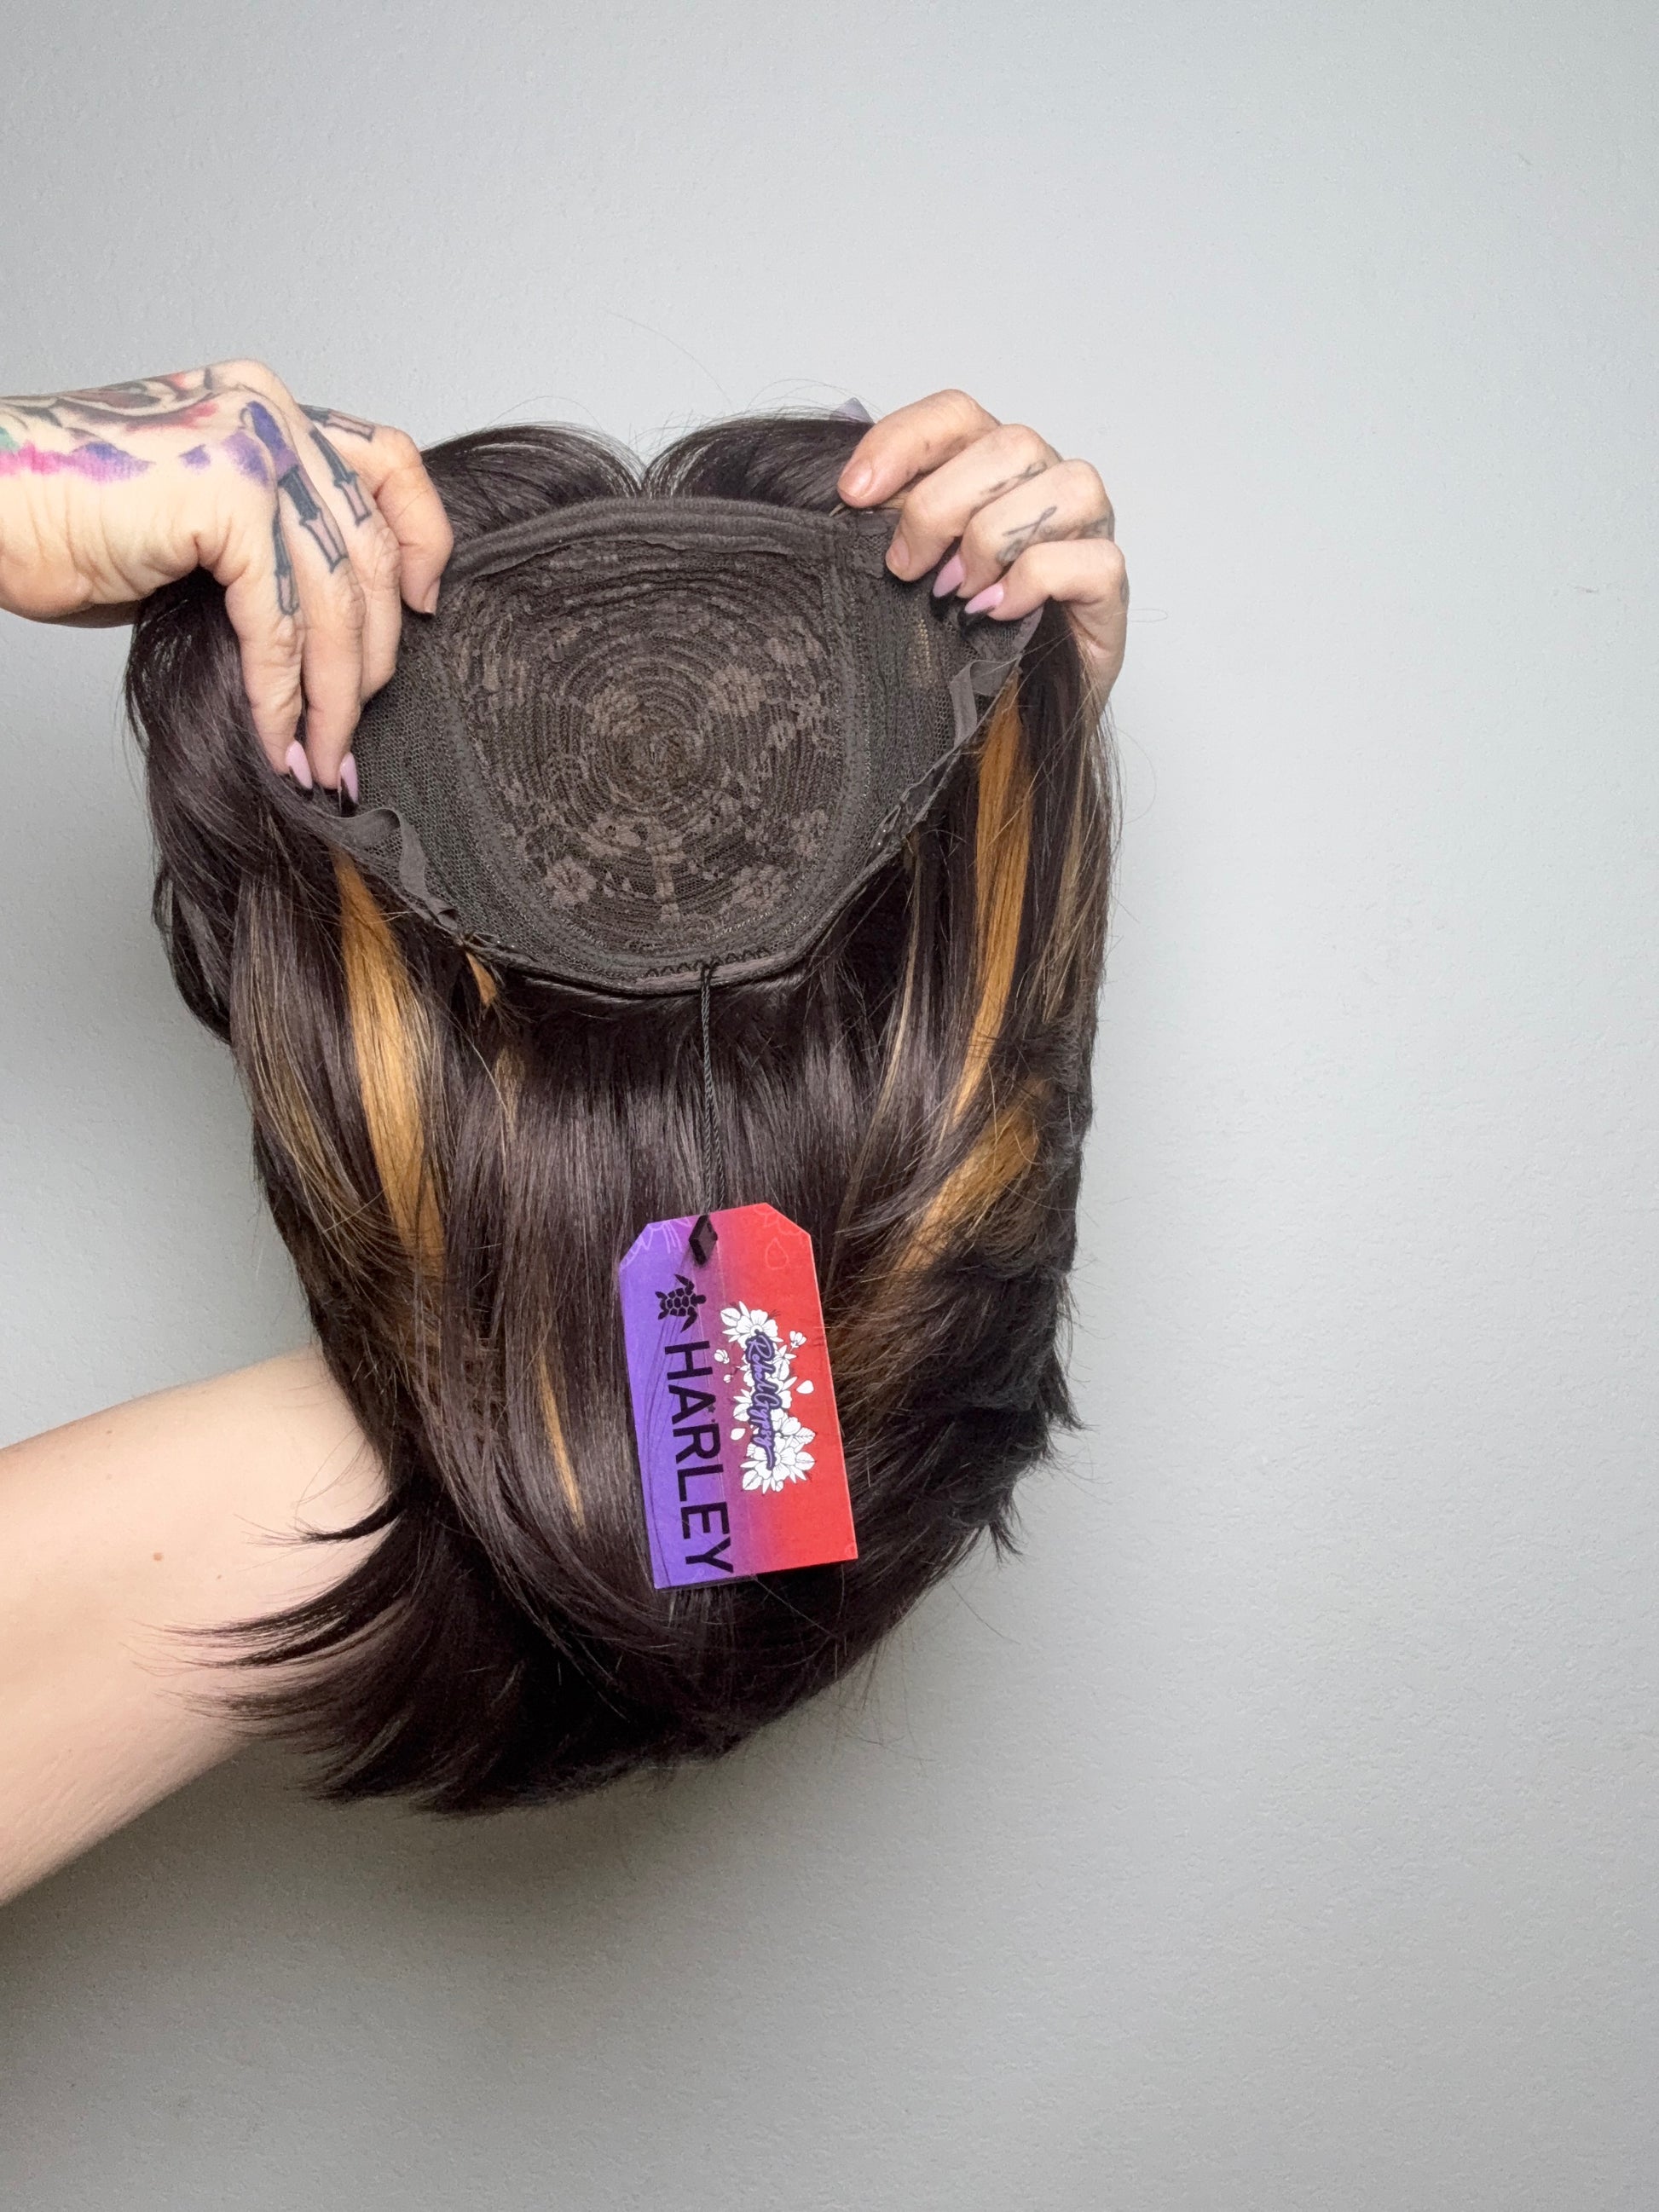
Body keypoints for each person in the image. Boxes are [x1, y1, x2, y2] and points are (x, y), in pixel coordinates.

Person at [0, 361, 1129, 1903]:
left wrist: (994, 820)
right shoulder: (599, 1473)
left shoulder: (460, 1491)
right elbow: (705, 1528)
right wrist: (973, 887)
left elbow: (669, 1537)